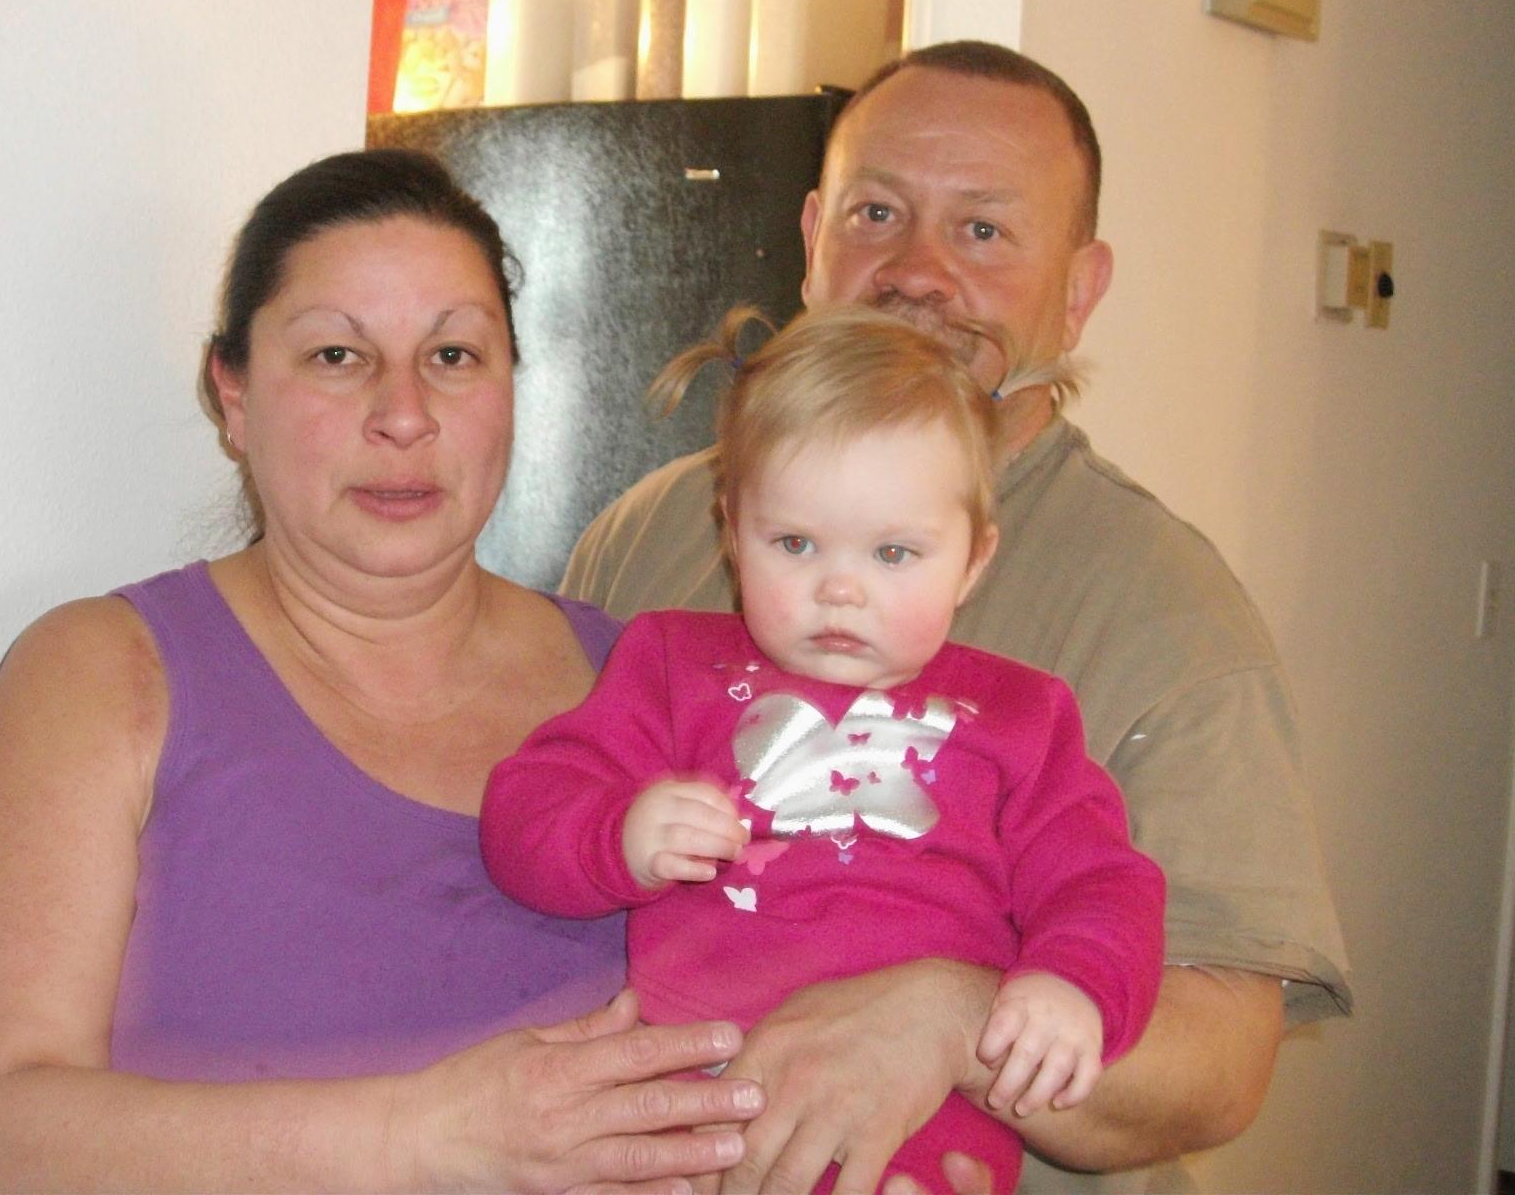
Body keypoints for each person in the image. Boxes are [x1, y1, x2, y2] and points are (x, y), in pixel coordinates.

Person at [0, 148, 996, 1192]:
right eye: (337, 357)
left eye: (454, 356)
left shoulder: (656, 681)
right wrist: (430, 1138)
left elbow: (850, 976)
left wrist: (912, 1065)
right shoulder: (105, 673)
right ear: (232, 394)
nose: (404, 416)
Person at [564, 40, 1354, 1193]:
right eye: (875, 214)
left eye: (982, 231)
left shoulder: (1163, 608)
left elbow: (1220, 1068)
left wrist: (951, 1019)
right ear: (811, 240)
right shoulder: (651, 529)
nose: (917, 272)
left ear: (1077, 291)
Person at [485, 304, 1165, 1195]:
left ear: (973, 560)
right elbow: (525, 809)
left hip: (915, 1122)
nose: (840, 588)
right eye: (796, 543)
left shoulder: (1023, 716)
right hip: (688, 1089)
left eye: (895, 553)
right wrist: (617, 832)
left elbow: (1105, 883)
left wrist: (1073, 984)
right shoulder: (669, 663)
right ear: (732, 533)